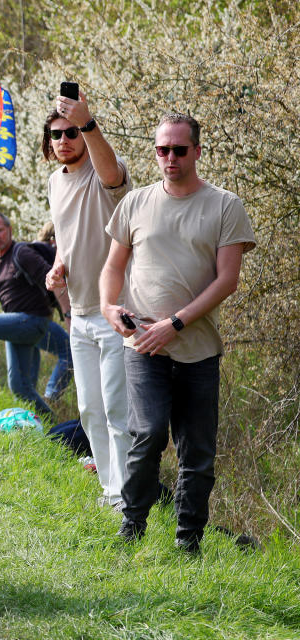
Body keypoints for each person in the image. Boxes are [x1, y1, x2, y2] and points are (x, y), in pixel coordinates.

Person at [100, 113, 255, 552]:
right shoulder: (135, 203)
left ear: (197, 151)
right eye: (162, 149)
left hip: (199, 350)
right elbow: (112, 267)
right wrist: (109, 307)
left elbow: (227, 280)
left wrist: (176, 323)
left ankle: (188, 542)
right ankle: (131, 530)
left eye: (179, 149)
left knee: (198, 452)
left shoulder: (226, 205)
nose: (169, 157)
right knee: (147, 434)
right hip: (143, 347)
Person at [44, 89, 134, 508]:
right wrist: (58, 265)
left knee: (117, 409)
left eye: (71, 132)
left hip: (114, 311)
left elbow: (113, 174)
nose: (64, 140)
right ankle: (110, 489)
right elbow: (65, 237)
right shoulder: (54, 182)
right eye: (56, 134)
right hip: (77, 315)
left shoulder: (103, 173)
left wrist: (88, 121)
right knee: (90, 409)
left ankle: (126, 496)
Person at [0, 211, 54, 416]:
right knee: (22, 388)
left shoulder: (21, 253)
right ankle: (51, 427)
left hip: (33, 320)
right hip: (15, 326)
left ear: (9, 230)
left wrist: (67, 313)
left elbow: (52, 279)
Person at [35, 221, 74, 402]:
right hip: (35, 318)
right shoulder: (50, 254)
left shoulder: (35, 251)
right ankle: (51, 396)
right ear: (55, 239)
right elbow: (58, 285)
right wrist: (68, 317)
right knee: (69, 351)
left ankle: (35, 400)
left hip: (22, 316)